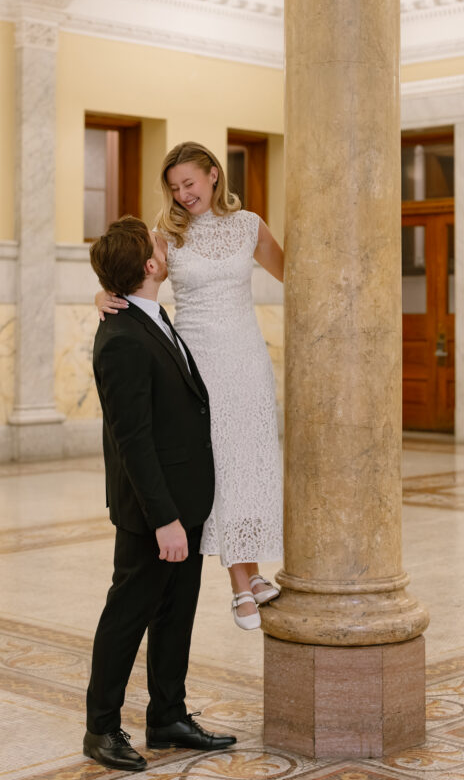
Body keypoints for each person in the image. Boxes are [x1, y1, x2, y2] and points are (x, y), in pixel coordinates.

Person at [97, 142, 284, 630]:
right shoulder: (166, 236)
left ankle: (253, 570)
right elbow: (125, 272)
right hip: (197, 363)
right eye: (175, 187)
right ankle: (240, 585)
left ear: (213, 175)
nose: (182, 194)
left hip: (247, 359)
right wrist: (101, 293)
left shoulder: (250, 226)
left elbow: (295, 275)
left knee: (249, 463)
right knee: (217, 465)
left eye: (189, 183)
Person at [85, 216, 236, 772]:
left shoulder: (148, 314)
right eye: (157, 244)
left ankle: (168, 716)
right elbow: (133, 441)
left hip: (185, 500)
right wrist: (164, 519)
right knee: (127, 616)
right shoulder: (122, 338)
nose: (164, 244)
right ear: (150, 266)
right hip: (155, 510)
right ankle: (101, 728)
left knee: (176, 613)